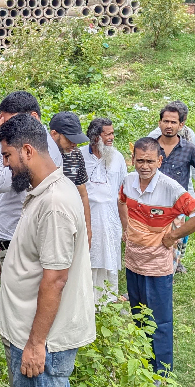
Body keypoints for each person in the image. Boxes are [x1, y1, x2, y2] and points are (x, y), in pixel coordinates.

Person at [0, 114, 95, 387]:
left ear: (27, 151)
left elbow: (55, 278)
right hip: (39, 336)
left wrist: (36, 345)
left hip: (42, 341)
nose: (6, 165)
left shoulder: (53, 203)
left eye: (7, 156)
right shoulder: (50, 189)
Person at [0, 91, 63, 387]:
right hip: (11, 241)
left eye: (8, 121)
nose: (3, 127)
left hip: (20, 246)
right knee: (13, 326)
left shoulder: (38, 160)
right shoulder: (36, 154)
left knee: (20, 332)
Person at [120, 137, 195, 375]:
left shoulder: (171, 187)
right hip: (133, 261)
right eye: (140, 160)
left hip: (158, 264)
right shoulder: (128, 182)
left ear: (159, 161)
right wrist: (125, 227)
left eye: (150, 161)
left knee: (159, 319)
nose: (145, 166)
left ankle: (162, 372)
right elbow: (121, 203)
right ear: (133, 160)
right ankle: (143, 362)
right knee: (138, 313)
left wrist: (173, 237)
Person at [153, 102, 195, 273]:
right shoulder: (150, 146)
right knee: (150, 245)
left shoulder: (189, 149)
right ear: (160, 123)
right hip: (152, 205)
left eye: (173, 122)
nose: (169, 126)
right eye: (165, 121)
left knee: (173, 245)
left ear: (181, 125)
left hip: (177, 207)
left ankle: (165, 281)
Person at [80, 117, 127, 303]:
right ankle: (87, 301)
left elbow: (123, 191)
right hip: (88, 216)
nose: (112, 137)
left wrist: (126, 224)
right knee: (88, 258)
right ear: (95, 136)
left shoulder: (117, 157)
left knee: (110, 258)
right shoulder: (80, 156)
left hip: (111, 217)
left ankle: (108, 299)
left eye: (112, 133)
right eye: (107, 134)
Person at [48, 111, 93, 241]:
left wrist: (87, 229)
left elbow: (83, 193)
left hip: (70, 221)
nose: (74, 144)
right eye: (70, 139)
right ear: (54, 134)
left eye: (77, 140)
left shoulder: (76, 154)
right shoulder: (41, 155)